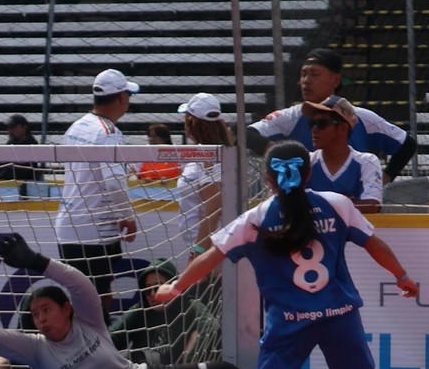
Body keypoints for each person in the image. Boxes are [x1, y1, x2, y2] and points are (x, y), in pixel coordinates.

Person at [155, 141, 420, 369]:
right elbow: (375, 245)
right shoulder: (337, 204)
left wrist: (176, 286)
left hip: (289, 320)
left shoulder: (255, 219)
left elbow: (211, 258)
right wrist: (402, 277)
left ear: (269, 179)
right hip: (339, 315)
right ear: (309, 173)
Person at [0, 234, 243, 369]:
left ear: (66, 308)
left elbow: (79, 283)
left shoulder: (89, 320)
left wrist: (37, 262)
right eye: (35, 314)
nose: (40, 318)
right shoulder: (35, 349)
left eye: (46, 309)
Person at [247, 48, 416, 184]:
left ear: (335, 80)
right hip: (306, 206)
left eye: (314, 74)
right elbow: (243, 133)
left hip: (355, 207)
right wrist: (277, 151)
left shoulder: (361, 118)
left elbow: (407, 144)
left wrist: (385, 178)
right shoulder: (291, 116)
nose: (306, 80)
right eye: (303, 74)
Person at [54, 69, 140, 325]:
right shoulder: (108, 132)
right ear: (122, 98)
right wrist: (128, 215)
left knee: (88, 301)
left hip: (70, 226)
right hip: (94, 232)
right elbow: (113, 183)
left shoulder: (76, 126)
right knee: (93, 307)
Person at [109, 259, 217, 365]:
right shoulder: (140, 310)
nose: (152, 294)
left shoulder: (188, 305)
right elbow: (111, 339)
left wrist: (188, 365)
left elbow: (212, 327)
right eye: (147, 289)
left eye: (157, 287)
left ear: (172, 286)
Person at [301, 95, 383, 213]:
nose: (314, 129)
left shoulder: (367, 162)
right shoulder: (306, 161)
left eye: (321, 123)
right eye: (312, 123)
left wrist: (318, 207)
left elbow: (371, 206)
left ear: (343, 128)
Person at [176, 93, 234, 257]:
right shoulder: (209, 154)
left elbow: (214, 208)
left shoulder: (208, 157)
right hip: (210, 246)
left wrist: (198, 252)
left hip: (211, 249)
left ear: (190, 122)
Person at [0, 114, 44, 182]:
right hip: (9, 174)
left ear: (24, 127)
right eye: (8, 128)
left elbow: (23, 167)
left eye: (13, 128)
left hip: (23, 176)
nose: (9, 131)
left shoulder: (31, 144)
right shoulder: (12, 141)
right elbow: (3, 160)